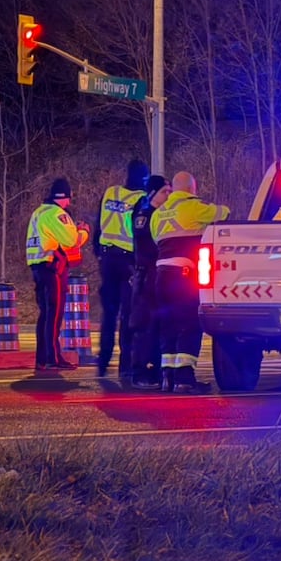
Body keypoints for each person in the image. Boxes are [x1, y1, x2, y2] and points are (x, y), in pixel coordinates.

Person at [150, 171, 230, 393]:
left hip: (161, 274)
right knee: (189, 324)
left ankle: (167, 376)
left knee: (168, 324)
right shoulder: (193, 207)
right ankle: (184, 379)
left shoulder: (158, 214)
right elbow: (222, 213)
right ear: (191, 189)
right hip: (183, 274)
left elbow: (157, 239)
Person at [26, 178, 91, 370]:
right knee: (54, 314)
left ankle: (42, 359)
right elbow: (71, 241)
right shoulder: (56, 213)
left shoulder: (38, 212)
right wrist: (83, 231)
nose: (69, 203)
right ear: (63, 197)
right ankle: (53, 358)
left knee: (45, 314)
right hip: (52, 267)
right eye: (68, 199)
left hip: (38, 266)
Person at [94, 159, 149, 379]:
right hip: (127, 262)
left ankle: (103, 361)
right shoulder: (140, 199)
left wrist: (98, 252)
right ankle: (125, 366)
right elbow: (139, 234)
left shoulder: (111, 193)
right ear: (143, 178)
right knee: (127, 314)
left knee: (109, 314)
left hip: (107, 259)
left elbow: (98, 224)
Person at [127, 174, 170, 389]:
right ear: (153, 193)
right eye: (165, 191)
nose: (169, 195)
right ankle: (139, 372)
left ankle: (153, 371)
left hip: (156, 276)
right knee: (144, 325)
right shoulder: (145, 214)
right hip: (146, 277)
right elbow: (148, 245)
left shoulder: (159, 214)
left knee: (157, 324)